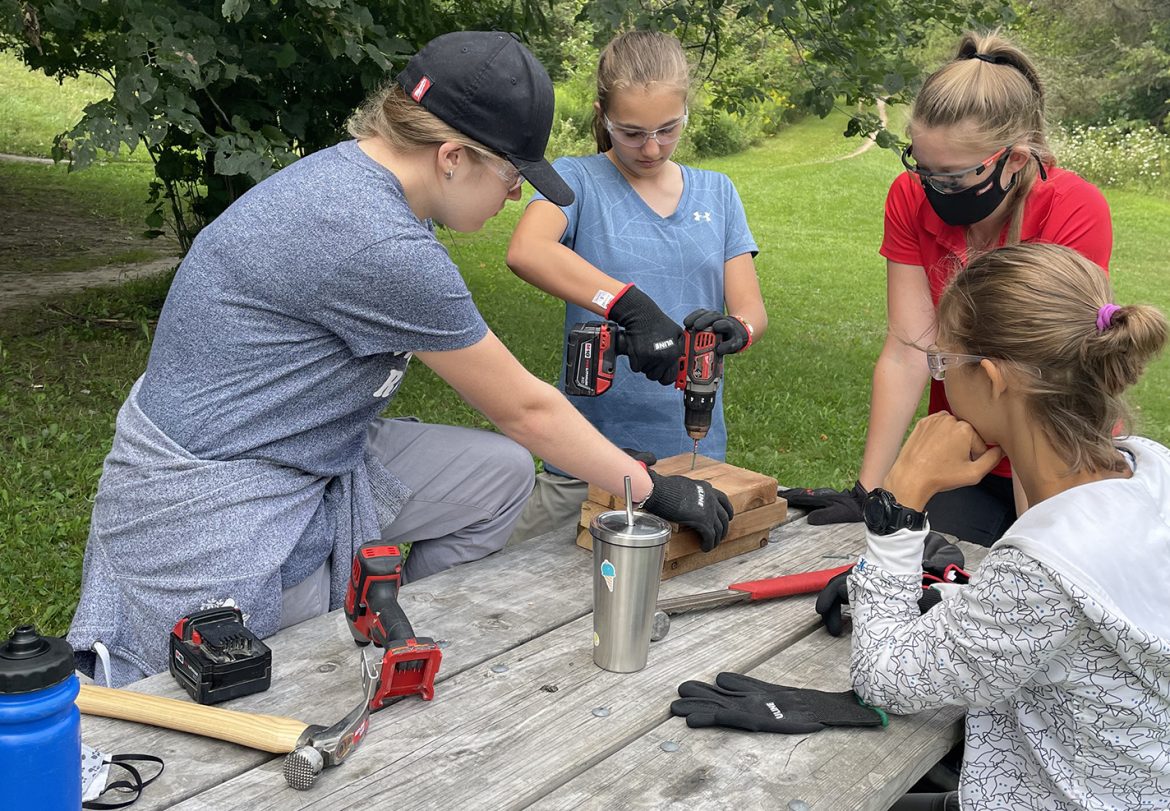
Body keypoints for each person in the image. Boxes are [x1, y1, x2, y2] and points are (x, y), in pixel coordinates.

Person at [66, 31, 732, 688]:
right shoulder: (380, 242)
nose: (510, 197)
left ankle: (407, 623)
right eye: (510, 175)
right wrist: (650, 487)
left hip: (308, 447)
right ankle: (357, 651)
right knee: (301, 663)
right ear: (451, 157)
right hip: (221, 496)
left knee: (498, 474)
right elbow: (527, 409)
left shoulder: (358, 182)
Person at [850, 243, 1170, 810]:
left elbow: (885, 677)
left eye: (944, 364)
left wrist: (898, 501)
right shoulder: (1150, 468)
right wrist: (957, 599)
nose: (941, 382)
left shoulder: (1045, 569)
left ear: (994, 378)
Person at [783, 31, 1112, 546]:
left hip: (1058, 447)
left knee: (1042, 579)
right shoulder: (909, 197)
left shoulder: (1074, 208)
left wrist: (1034, 541)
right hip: (965, 452)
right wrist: (871, 491)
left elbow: (1040, 376)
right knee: (932, 574)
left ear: (1016, 159)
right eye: (923, 168)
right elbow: (909, 349)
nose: (935, 189)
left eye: (955, 179)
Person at [505, 30, 767, 542]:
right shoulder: (576, 180)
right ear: (603, 114)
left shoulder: (718, 191)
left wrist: (739, 328)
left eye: (668, 129)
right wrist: (630, 307)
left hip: (690, 454)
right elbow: (527, 251)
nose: (652, 148)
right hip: (584, 455)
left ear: (686, 110)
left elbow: (751, 307)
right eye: (631, 132)